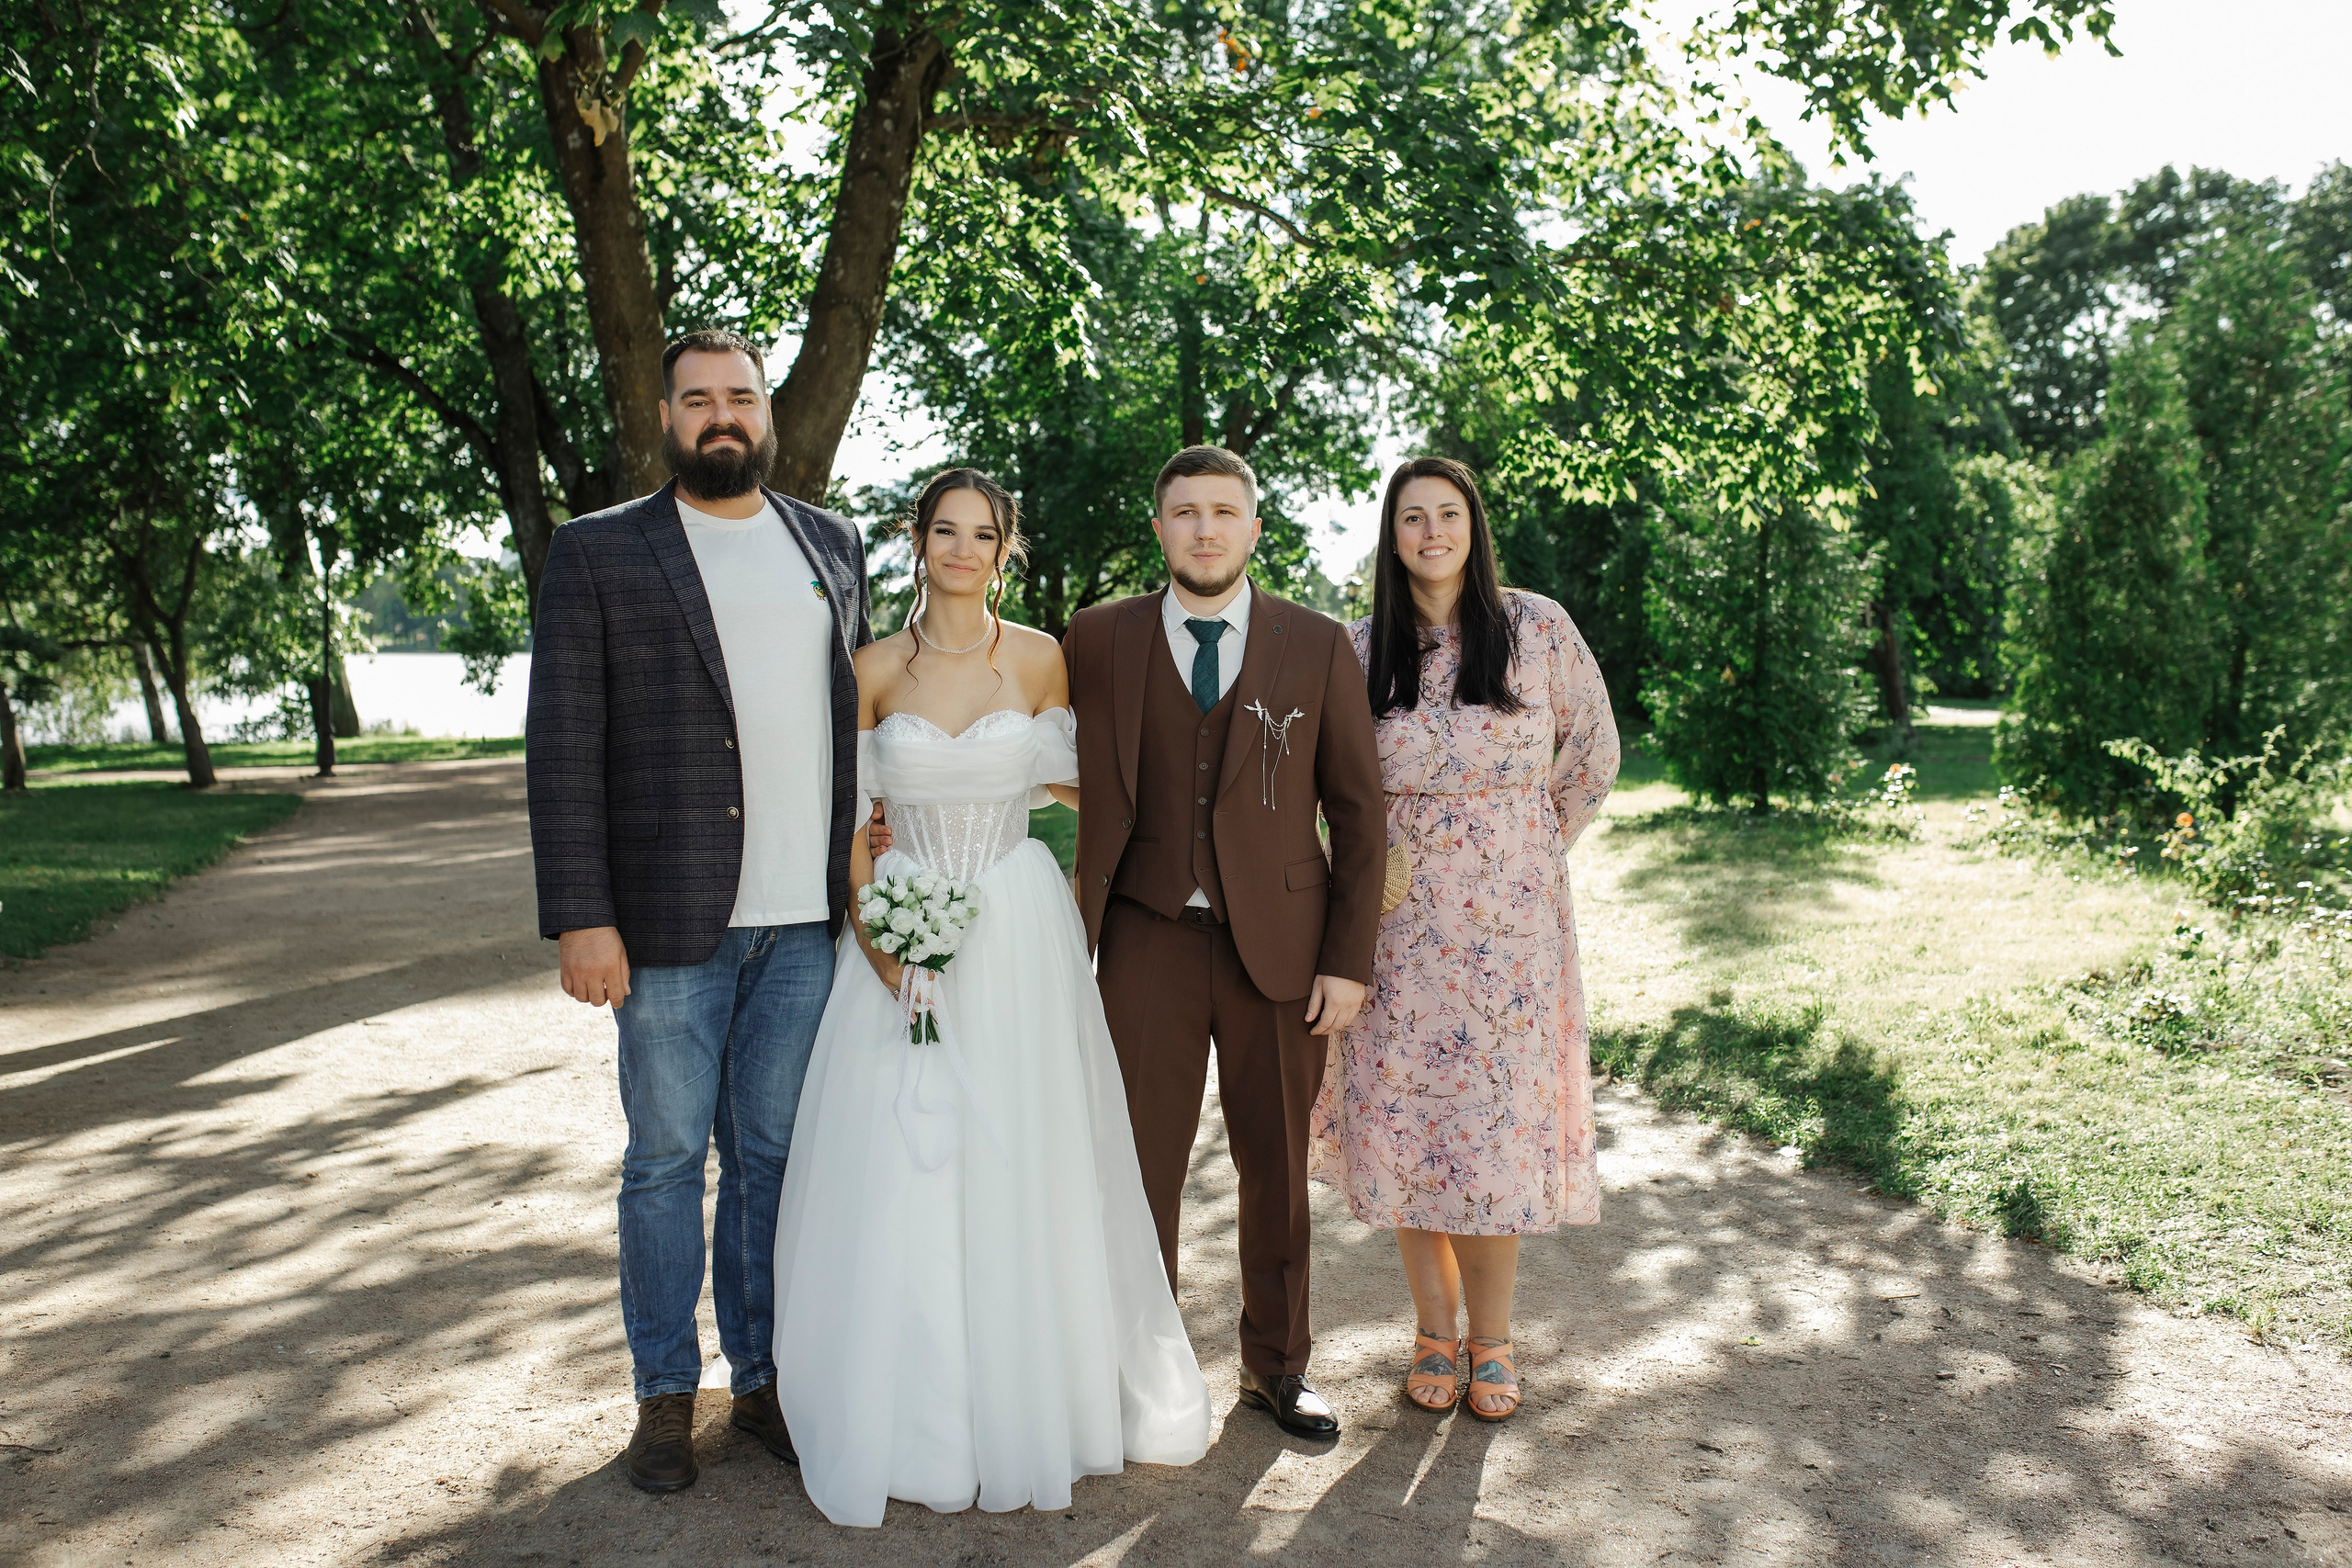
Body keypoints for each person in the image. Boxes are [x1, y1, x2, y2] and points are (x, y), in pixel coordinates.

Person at [772, 468, 1209, 1527]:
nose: (961, 550)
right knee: (903, 1162)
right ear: (916, 541)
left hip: (1017, 930)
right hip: (906, 923)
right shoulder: (870, 668)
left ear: (1005, 550)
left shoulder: (1043, 658)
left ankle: (1035, 1400)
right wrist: (882, 947)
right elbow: (848, 823)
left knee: (1026, 1153)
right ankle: (913, 1412)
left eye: (982, 535)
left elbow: (1075, 781)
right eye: (944, 532)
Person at [525, 329, 870, 1493]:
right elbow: (563, 746)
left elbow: (852, 723)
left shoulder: (830, 544)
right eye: (697, 400)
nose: (721, 416)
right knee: (666, 1161)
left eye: (741, 397)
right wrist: (583, 912)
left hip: (803, 924)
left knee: (772, 1159)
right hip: (667, 923)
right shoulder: (599, 553)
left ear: (766, 412)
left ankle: (762, 1379)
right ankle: (664, 1393)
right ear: (663, 415)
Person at [1061, 445, 1386, 1439]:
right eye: (1184, 511)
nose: (1204, 528)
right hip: (1143, 938)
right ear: (1157, 527)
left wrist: (1346, 960)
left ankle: (1278, 1369)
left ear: (1253, 528)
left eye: (1222, 511)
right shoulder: (1094, 638)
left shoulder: (1317, 642)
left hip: (1282, 952)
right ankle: (1140, 1374)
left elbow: (1359, 814)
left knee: (1277, 1170)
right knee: (1136, 1168)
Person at [1308, 457, 1619, 1422]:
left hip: (1514, 936)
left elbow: (1593, 755)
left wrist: (1523, 852)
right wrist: (1365, 869)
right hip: (1395, 929)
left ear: (1474, 527)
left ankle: (1494, 1343)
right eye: (1412, 517)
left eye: (1448, 514)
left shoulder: (1536, 627)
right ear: (1390, 534)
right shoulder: (1356, 648)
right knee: (1411, 1132)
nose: (1431, 532)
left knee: (1492, 1135)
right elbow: (1325, 786)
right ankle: (1431, 1334)